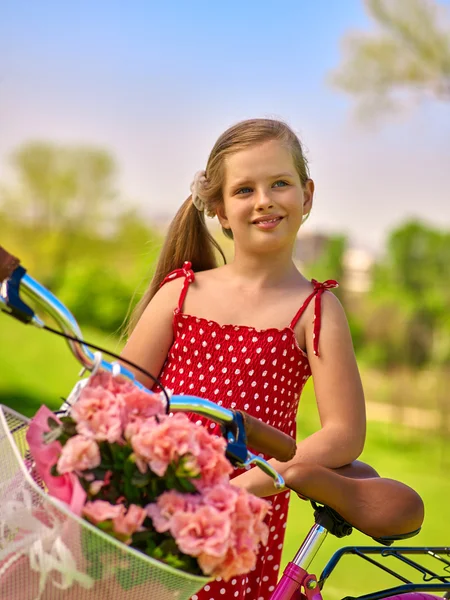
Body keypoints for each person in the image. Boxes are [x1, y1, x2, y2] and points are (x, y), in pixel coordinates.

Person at [121, 118, 366, 600]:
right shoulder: (182, 293)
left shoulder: (315, 311)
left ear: (307, 196)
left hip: (239, 518)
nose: (264, 200)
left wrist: (246, 487)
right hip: (155, 501)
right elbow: (120, 394)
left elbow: (343, 432)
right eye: (244, 189)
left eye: (280, 183)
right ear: (220, 210)